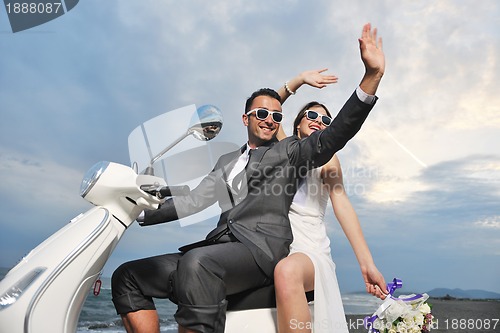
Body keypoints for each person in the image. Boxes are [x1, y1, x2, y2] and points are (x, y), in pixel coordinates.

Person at [111, 23, 384, 333]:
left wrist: (370, 78)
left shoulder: (289, 152)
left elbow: (333, 136)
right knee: (126, 276)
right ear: (245, 118)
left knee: (198, 263)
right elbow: (195, 200)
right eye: (262, 115)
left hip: (261, 250)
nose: (270, 120)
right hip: (221, 246)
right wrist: (136, 209)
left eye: (276, 116)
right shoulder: (228, 161)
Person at [274, 70, 387, 332]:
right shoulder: (283, 148)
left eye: (326, 120)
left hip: (309, 248)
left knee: (287, 272)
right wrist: (299, 80)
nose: (318, 121)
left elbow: (342, 204)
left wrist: (366, 263)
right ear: (297, 124)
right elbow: (270, 107)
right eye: (312, 115)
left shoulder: (328, 159)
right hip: (276, 243)